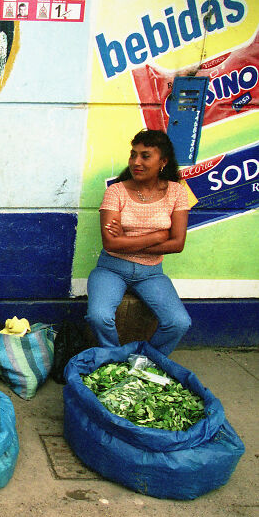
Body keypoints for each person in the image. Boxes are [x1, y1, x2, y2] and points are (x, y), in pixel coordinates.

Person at [86, 129, 192, 356]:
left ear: (163, 161)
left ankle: (145, 362)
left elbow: (177, 243)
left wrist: (127, 239)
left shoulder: (176, 192)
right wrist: (156, 236)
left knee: (179, 322)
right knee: (98, 316)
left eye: (145, 156)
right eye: (133, 154)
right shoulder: (116, 191)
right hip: (111, 269)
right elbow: (111, 244)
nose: (136, 162)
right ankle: (114, 358)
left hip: (152, 273)